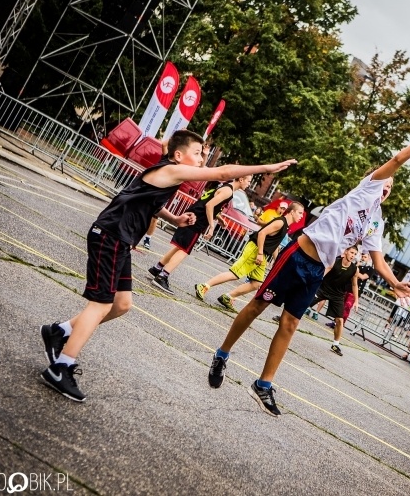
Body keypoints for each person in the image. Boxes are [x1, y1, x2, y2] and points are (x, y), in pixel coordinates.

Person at [206, 119, 410, 417]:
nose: (387, 187)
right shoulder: (366, 190)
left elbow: (377, 260)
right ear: (376, 180)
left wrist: (394, 283)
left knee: (289, 325)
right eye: (387, 182)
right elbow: (398, 159)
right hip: (298, 255)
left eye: (391, 186)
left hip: (317, 271)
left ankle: (263, 384)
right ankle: (222, 354)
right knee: (257, 305)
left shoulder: (376, 221)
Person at [38, 130, 295, 401]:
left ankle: (59, 331)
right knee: (100, 304)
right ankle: (61, 367)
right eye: (198, 153)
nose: (202, 159)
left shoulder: (166, 173)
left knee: (121, 305)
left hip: (120, 241)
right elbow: (223, 173)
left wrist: (173, 218)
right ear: (178, 155)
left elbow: (148, 202)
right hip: (110, 235)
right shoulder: (173, 171)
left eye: (204, 154)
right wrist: (268, 167)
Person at [148, 175, 253, 294]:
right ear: (241, 179)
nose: (249, 184)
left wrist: (218, 217)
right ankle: (162, 276)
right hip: (197, 220)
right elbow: (209, 206)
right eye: (249, 181)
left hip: (194, 215)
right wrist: (212, 226)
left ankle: (157, 268)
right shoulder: (228, 191)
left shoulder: (226, 187)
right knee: (184, 250)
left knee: (179, 247)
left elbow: (208, 203)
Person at [194, 202, 305, 311]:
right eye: (300, 213)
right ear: (292, 212)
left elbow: (274, 245)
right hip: (256, 249)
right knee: (235, 273)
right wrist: (260, 253)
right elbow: (262, 234)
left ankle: (228, 297)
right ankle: (204, 285)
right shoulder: (280, 222)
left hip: (263, 254)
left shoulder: (285, 227)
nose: (301, 216)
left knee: (256, 283)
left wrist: (277, 261)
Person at [308, 246, 359, 356]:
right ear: (345, 252)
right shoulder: (335, 262)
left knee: (340, 321)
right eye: (351, 252)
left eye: (355, 254)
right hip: (323, 289)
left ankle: (335, 344)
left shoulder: (354, 269)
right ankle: (283, 318)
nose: (353, 255)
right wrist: (314, 283)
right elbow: (324, 273)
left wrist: (356, 301)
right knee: (303, 303)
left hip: (338, 295)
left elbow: (355, 285)